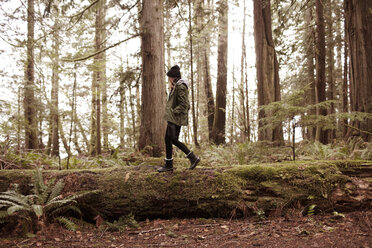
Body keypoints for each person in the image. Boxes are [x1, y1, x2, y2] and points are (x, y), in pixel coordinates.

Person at [157, 65, 200, 172]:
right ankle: (192, 158)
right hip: (175, 117)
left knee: (169, 139)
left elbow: (184, 104)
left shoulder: (180, 86)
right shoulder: (177, 86)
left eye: (169, 77)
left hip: (175, 118)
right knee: (173, 139)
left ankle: (169, 165)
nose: (169, 80)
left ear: (174, 77)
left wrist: (173, 112)